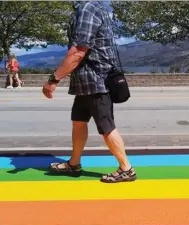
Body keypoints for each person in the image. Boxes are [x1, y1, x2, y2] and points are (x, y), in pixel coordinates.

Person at [42, 1, 136, 183]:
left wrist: (53, 79)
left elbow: (78, 51)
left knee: (106, 127)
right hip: (85, 82)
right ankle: (74, 164)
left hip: (96, 80)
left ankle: (126, 169)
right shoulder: (93, 7)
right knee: (78, 121)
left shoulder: (87, 8)